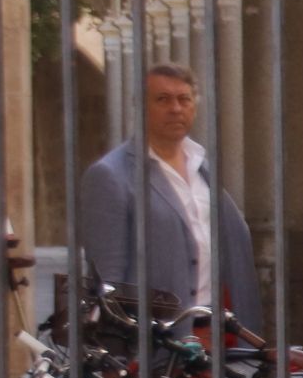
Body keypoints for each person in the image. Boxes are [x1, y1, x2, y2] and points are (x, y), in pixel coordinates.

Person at [79, 62, 262, 329]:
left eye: (183, 99)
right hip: (155, 340)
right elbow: (108, 279)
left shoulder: (203, 169)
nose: (175, 109)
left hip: (214, 331)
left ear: (194, 107)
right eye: (162, 99)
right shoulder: (110, 176)